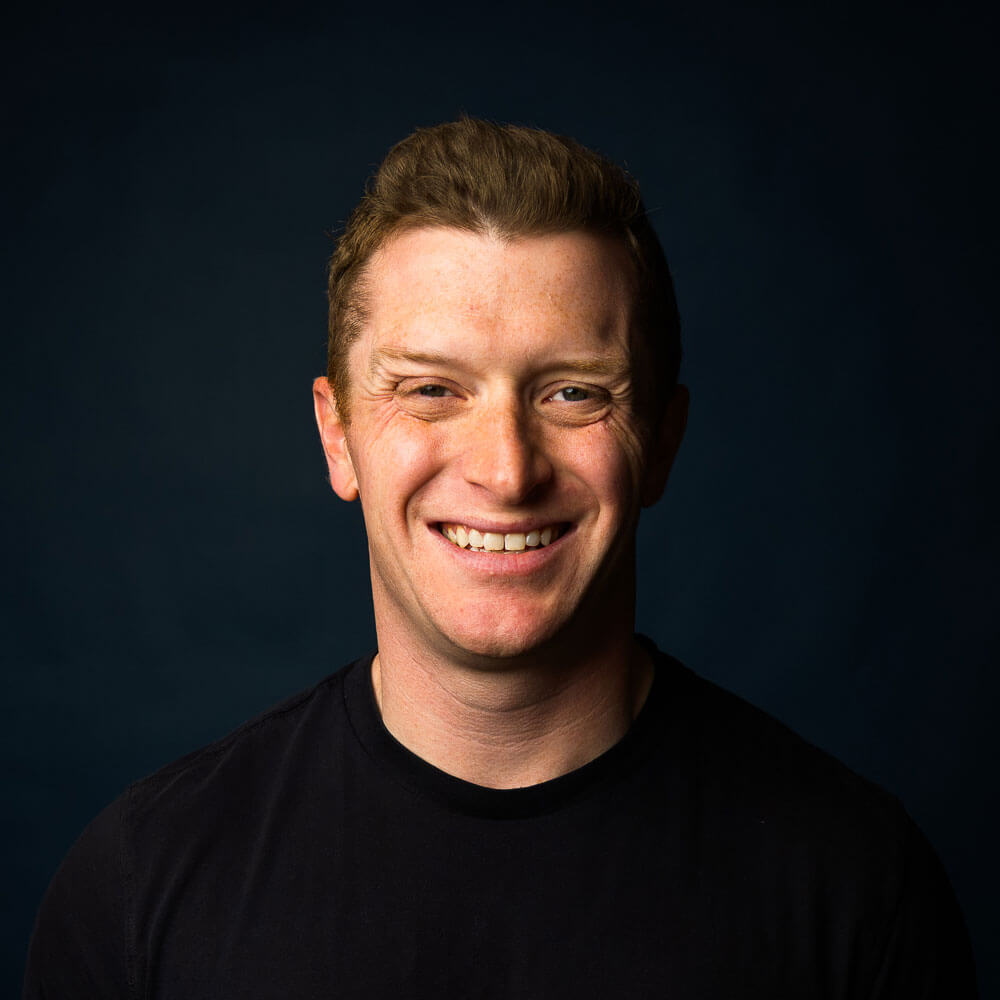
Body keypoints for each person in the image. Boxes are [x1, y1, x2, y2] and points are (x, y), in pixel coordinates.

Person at [23, 118, 976, 998]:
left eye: (572, 394)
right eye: (431, 390)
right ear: (337, 436)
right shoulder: (140, 885)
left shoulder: (858, 889)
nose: (507, 471)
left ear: (662, 441)